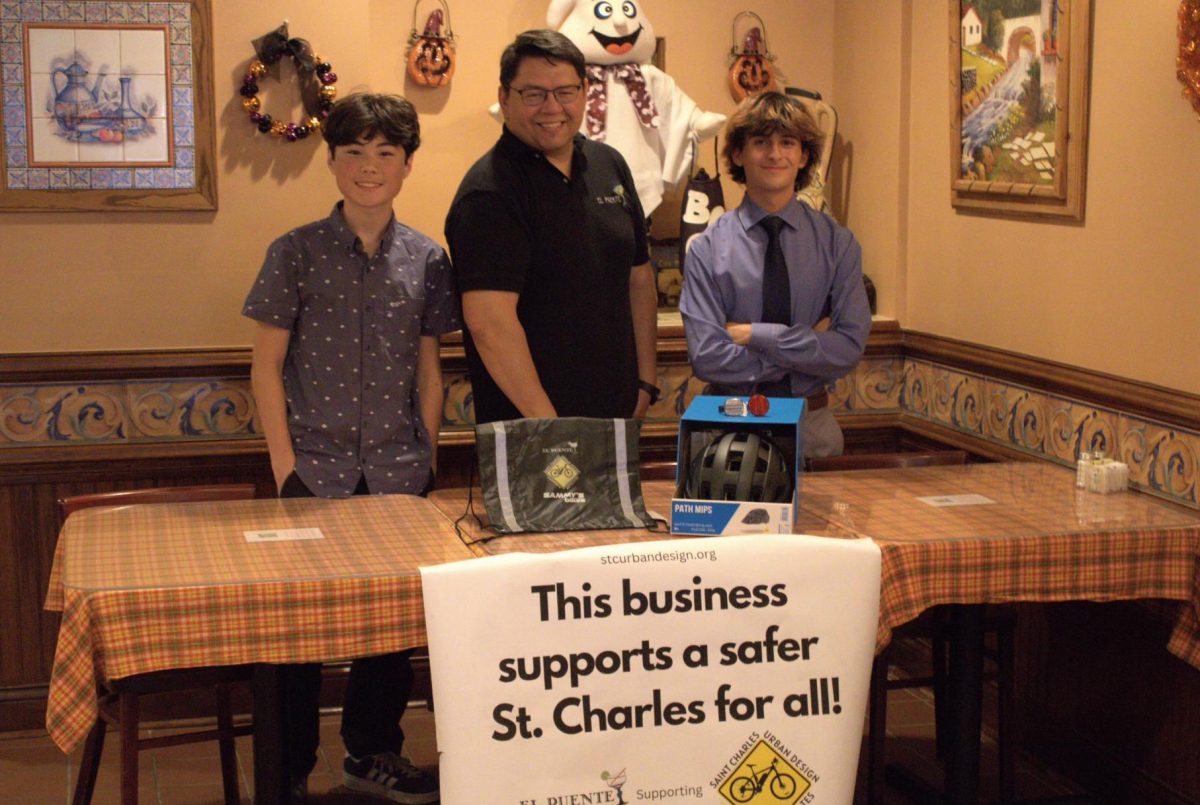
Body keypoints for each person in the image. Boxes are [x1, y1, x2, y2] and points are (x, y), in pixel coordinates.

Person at [243, 92, 457, 804]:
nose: (370, 167)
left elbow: (430, 367)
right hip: (314, 470)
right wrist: (284, 468)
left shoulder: (427, 259)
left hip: (397, 469)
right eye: (355, 152)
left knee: (389, 632)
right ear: (332, 162)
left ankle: (373, 752)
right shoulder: (295, 252)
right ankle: (291, 767)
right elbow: (265, 367)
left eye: (385, 153)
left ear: (406, 165)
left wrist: (427, 456)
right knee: (298, 632)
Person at [445, 29, 659, 424]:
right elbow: (489, 323)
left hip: (617, 414)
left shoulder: (608, 164)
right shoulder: (489, 192)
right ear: (504, 97)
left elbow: (639, 278)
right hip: (531, 428)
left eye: (565, 91)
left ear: (584, 93)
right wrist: (551, 427)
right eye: (534, 93)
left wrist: (645, 381)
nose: (552, 107)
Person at [679, 91, 871, 458]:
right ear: (738, 153)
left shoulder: (838, 244)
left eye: (787, 142)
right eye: (761, 142)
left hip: (812, 429)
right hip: (729, 423)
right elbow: (706, 357)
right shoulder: (706, 249)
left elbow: (847, 349)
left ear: (803, 156)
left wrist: (755, 335)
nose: (775, 154)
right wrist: (805, 347)